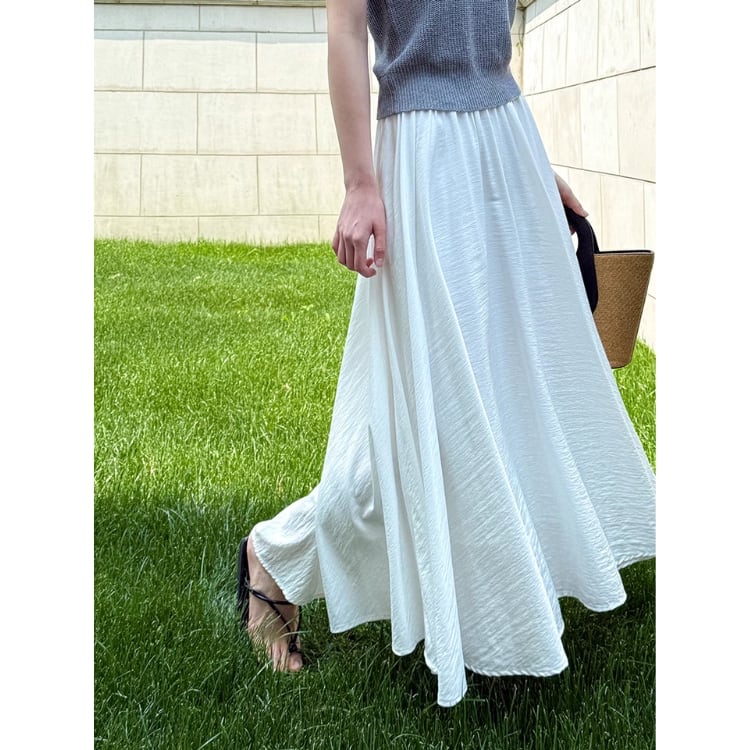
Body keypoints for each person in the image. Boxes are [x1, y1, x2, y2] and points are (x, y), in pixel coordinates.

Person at [236, 0, 655, 708]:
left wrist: (531, 169)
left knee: (510, 395)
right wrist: (360, 184)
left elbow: (480, 43)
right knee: (445, 406)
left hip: (505, 141)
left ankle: (298, 557)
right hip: (423, 155)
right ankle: (289, 558)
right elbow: (345, 28)